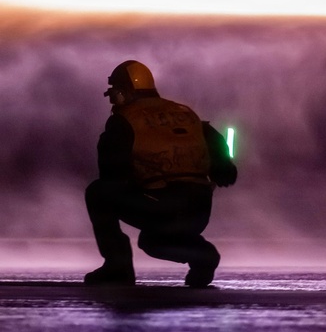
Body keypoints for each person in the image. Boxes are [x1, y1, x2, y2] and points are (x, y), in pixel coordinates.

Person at [84, 60, 237, 287]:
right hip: (199, 208)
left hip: (161, 205)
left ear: (124, 93)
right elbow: (226, 171)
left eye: (114, 94)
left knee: (98, 193)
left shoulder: (124, 121)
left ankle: (117, 266)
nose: (113, 102)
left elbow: (112, 176)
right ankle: (202, 255)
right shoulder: (187, 114)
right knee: (152, 241)